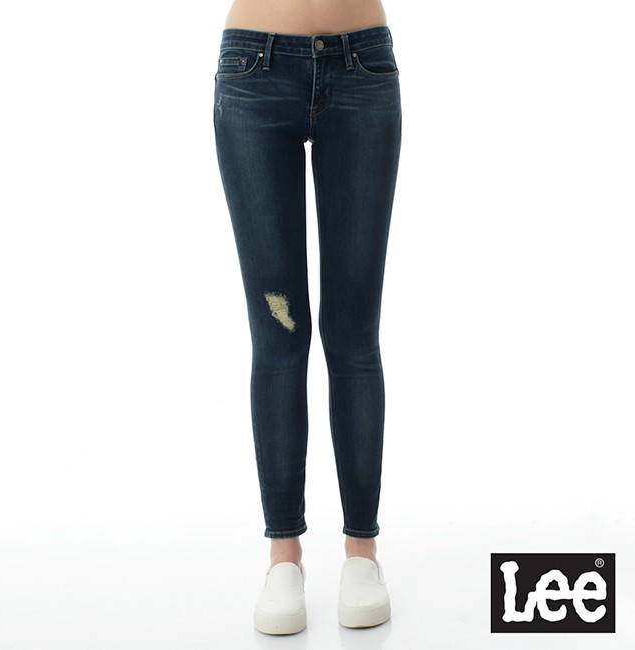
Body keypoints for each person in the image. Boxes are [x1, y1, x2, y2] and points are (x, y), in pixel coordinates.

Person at [213, 0, 401, 634]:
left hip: (362, 68)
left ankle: (362, 553)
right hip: (254, 71)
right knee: (279, 335)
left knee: (354, 336)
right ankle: (283, 556)